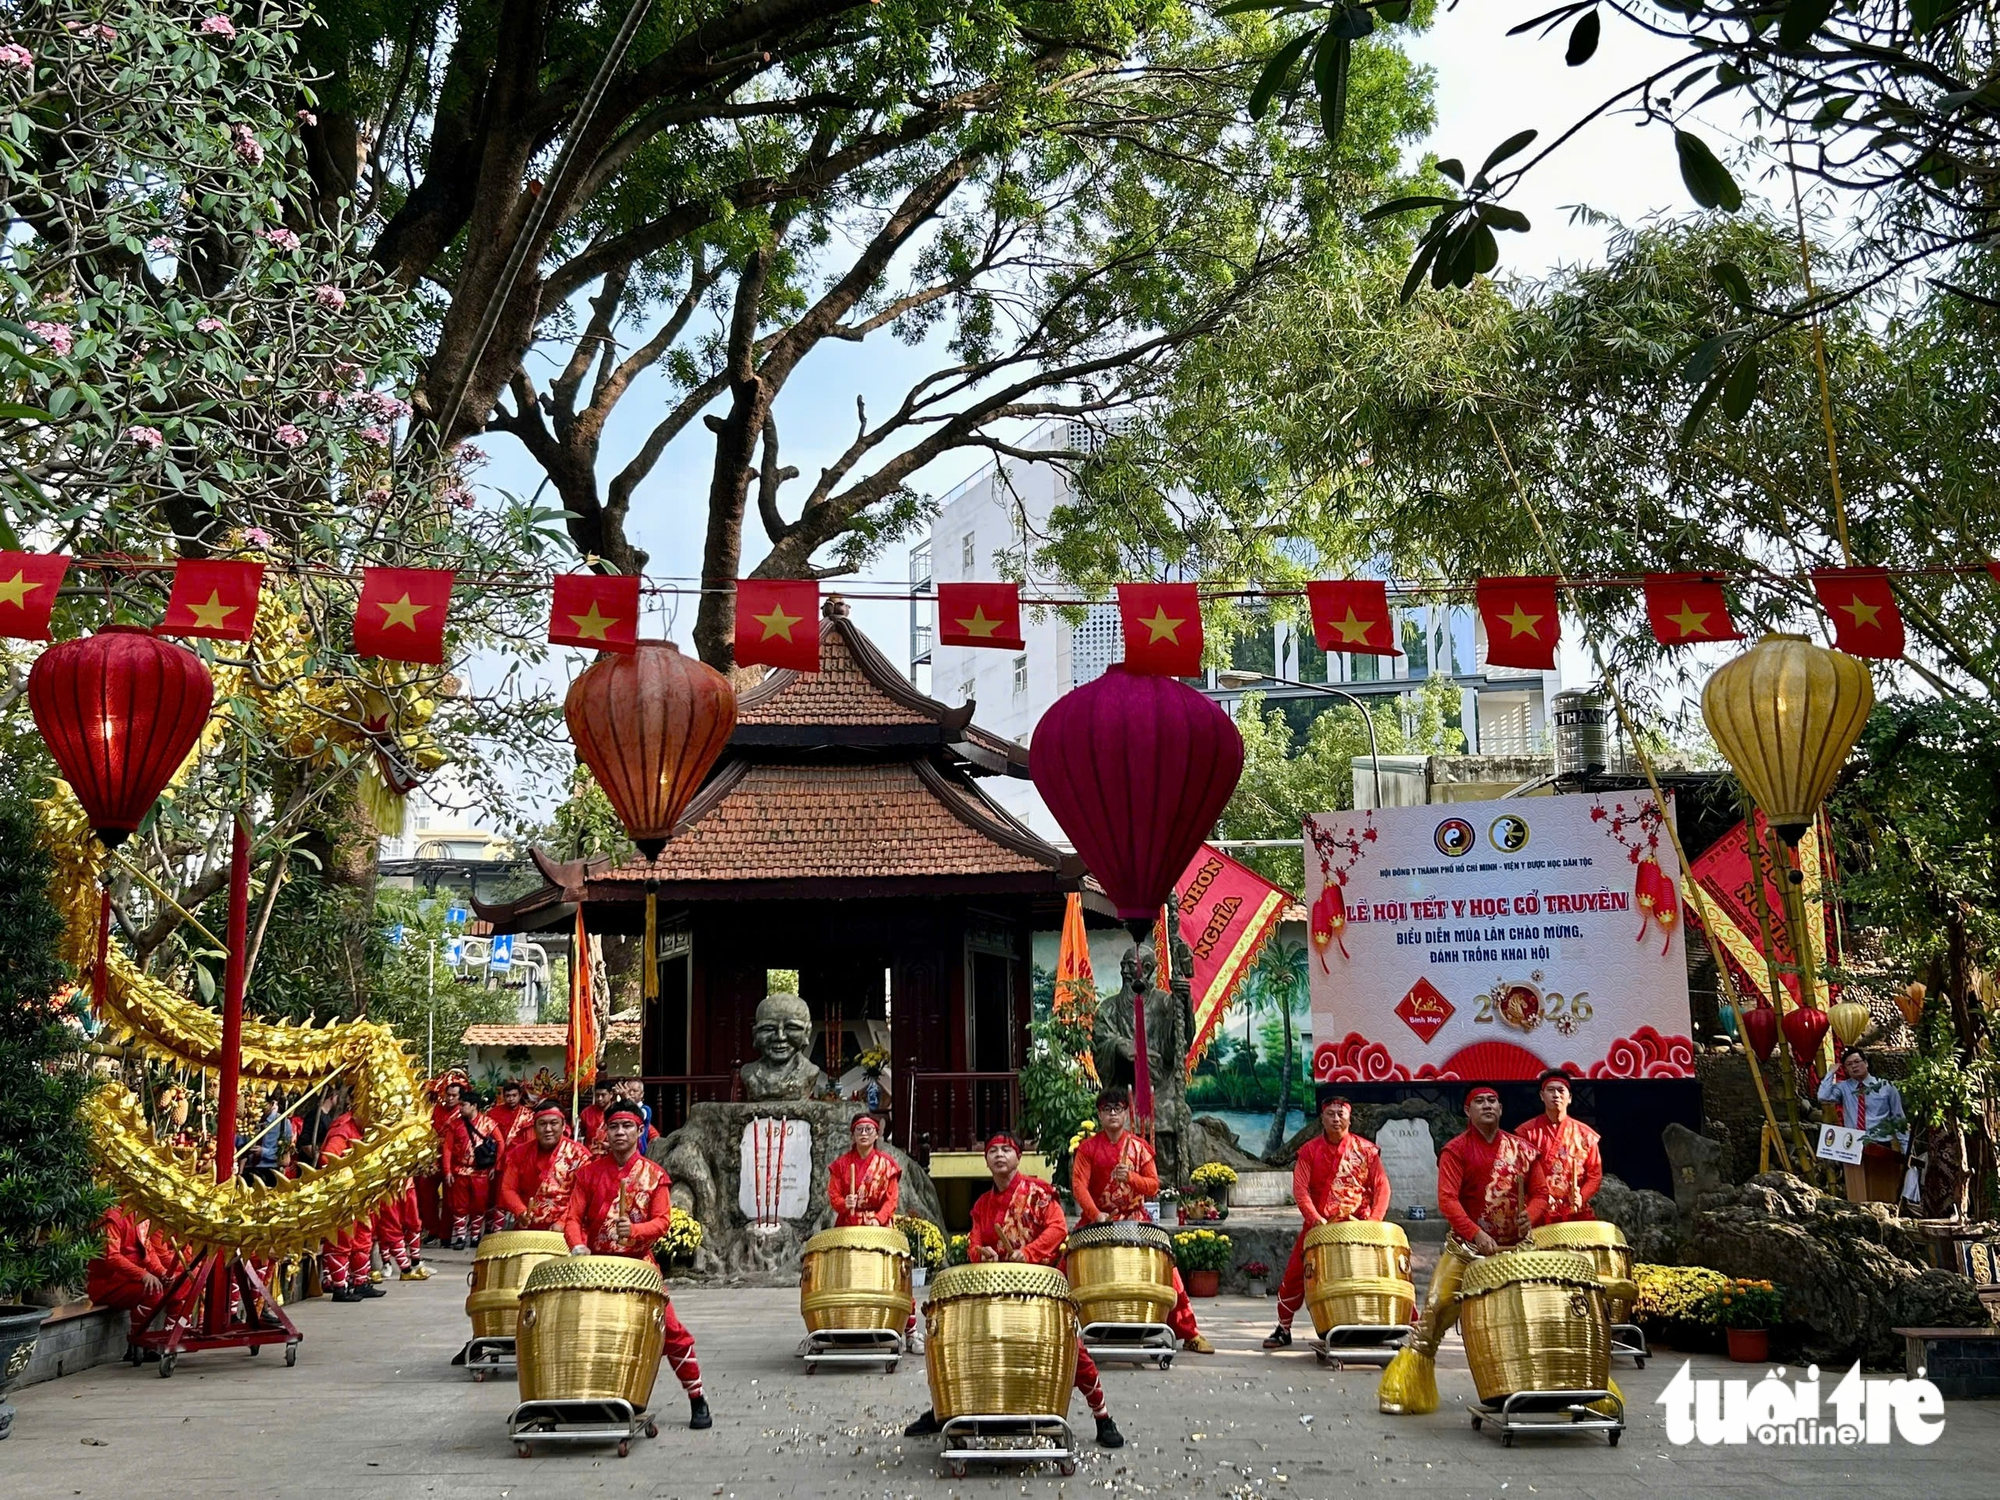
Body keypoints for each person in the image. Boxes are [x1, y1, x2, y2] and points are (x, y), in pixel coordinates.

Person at [904, 1133, 1125, 1449]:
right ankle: (946, 1411)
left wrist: (1030, 1251)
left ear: (1018, 1157)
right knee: (964, 1351)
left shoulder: (1037, 1193)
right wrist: (983, 1254)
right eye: (992, 1150)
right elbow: (975, 1243)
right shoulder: (982, 1204)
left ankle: (1102, 1417)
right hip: (995, 1292)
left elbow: (1058, 1228)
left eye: (1006, 1149)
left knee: (1073, 1352)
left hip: (1038, 1291)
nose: (998, 1155)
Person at [1378, 1086, 1536, 1415]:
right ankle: (1408, 1389)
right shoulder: (1456, 1150)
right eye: (1479, 1101)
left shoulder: (1521, 1149)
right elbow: (1448, 1200)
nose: (1487, 1105)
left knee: (1533, 1319)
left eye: (1493, 1100)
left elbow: (1542, 1191)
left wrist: (1530, 1214)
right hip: (1465, 1251)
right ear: (1467, 1112)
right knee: (1435, 1313)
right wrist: (1476, 1234)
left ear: (1502, 1108)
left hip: (1516, 1253)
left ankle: (1533, 1385)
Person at [561, 1101, 712, 1430]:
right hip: (596, 1268)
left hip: (640, 1267)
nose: (619, 1133)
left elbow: (662, 1221)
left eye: (626, 1126)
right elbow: (572, 1218)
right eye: (613, 1127)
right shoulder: (588, 1173)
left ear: (639, 1131)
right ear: (605, 1131)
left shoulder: (655, 1175)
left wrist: (636, 1231)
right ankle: (597, 1398)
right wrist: (578, 1245)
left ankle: (696, 1396)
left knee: (671, 1332)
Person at [1072, 1086, 1215, 1355]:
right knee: (1066, 1268)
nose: (1113, 1114)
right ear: (1099, 1115)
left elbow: (1152, 1186)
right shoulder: (1088, 1149)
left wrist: (1132, 1179)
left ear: (1126, 1113)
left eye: (1118, 1108)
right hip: (1097, 1221)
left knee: (1169, 1274)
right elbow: (1079, 1186)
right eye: (1107, 1109)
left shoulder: (1140, 1148)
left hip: (1135, 1219)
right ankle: (1067, 1334)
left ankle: (1190, 1332)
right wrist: (1096, 1214)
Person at [1264, 1090, 1391, 1349]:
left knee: (1383, 1274)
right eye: (1330, 1114)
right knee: (1295, 1275)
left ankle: (1404, 1324)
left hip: (1361, 1228)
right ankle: (1283, 1328)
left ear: (1350, 1117)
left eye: (1340, 1114)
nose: (1336, 1119)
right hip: (1319, 1227)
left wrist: (1375, 1222)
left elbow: (1382, 1187)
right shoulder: (1309, 1151)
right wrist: (1314, 1219)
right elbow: (1300, 1190)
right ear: (1321, 1118)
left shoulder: (1366, 1151)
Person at [86, 1204, 194, 1352]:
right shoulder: (113, 1217)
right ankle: (139, 1340)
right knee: (153, 1290)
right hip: (110, 1283)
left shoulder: (142, 1215)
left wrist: (162, 1272)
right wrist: (143, 1275)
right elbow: (112, 1257)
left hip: (131, 1279)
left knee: (181, 1282)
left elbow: (148, 1251)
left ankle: (172, 1333)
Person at [1818, 1046, 1910, 1203]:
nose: (1854, 1066)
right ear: (1845, 1069)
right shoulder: (1843, 1088)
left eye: (1857, 1061)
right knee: (1857, 1189)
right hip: (1852, 1144)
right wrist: (1831, 1072)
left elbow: (1898, 1118)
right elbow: (1823, 1096)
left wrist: (1906, 1148)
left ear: (1866, 1063)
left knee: (1881, 1188)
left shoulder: (1886, 1087)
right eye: (1849, 1064)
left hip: (1880, 1144)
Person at [318, 1091, 385, 1302]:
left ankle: (360, 1282)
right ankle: (339, 1287)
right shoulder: (343, 1129)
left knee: (363, 1239)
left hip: (363, 1196)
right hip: (345, 1196)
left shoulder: (365, 1130)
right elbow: (327, 1160)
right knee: (342, 1241)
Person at [1518, 1070, 1604, 1226]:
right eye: (1550, 1090)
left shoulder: (1586, 1135)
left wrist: (1581, 1196)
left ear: (1570, 1098)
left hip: (1574, 1209)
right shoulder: (1526, 1133)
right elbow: (1520, 1174)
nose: (1556, 1095)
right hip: (1539, 1209)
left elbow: (1594, 1175)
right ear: (1542, 1096)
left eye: (1561, 1090)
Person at [497, 1099, 593, 1230]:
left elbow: (584, 1198)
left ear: (564, 1125)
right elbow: (507, 1188)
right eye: (542, 1123)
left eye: (554, 1123)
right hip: (528, 1227)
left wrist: (563, 1221)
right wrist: (520, 1211)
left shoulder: (580, 1155)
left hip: (567, 1228)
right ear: (534, 1127)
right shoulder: (518, 1153)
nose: (548, 1129)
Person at [442, 1092, 503, 1248]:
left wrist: (495, 1166)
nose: (460, 1108)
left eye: (463, 1105)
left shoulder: (489, 1123)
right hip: (460, 1171)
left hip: (481, 1172)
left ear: (474, 1106)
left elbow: (501, 1143)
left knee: (479, 1205)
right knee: (459, 1206)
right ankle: (461, 1237)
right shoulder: (454, 1125)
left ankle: (475, 1236)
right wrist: (447, 1170)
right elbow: (447, 1148)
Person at [827, 1113, 901, 1226]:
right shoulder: (841, 1164)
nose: (864, 1133)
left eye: (869, 1129)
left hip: (878, 1224)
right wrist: (845, 1203)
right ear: (853, 1135)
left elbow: (891, 1200)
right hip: (849, 1224)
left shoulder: (887, 1164)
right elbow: (834, 1195)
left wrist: (878, 1218)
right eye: (859, 1129)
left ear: (877, 1134)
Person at [485, 1080, 532, 1235]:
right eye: (508, 1096)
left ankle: (506, 1232)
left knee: (511, 1196)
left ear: (520, 1096)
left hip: (518, 1162)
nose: (511, 1099)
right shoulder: (493, 1113)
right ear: (503, 1096)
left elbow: (530, 1141)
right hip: (497, 1162)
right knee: (494, 1196)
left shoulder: (528, 1116)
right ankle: (492, 1230)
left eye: (514, 1095)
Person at [580, 1082, 615, 1153]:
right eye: (597, 1095)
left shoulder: (617, 1111)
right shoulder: (586, 1112)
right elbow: (582, 1133)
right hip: (590, 1154)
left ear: (611, 1094)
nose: (599, 1098)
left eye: (603, 1095)